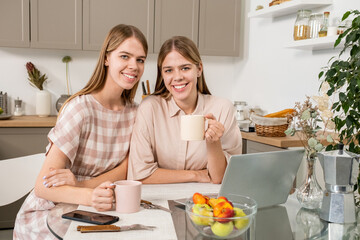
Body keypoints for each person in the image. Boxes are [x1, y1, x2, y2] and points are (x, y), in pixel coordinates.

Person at [13, 24, 148, 239]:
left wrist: (81, 184)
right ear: (106, 58)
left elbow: (128, 167)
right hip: (52, 212)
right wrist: (87, 194)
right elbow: (42, 187)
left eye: (140, 60)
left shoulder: (136, 113)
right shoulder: (80, 109)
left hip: (98, 207)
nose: (134, 66)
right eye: (125, 56)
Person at [127, 36, 242, 184]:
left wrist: (214, 143)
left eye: (185, 68)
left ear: (199, 69)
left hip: (206, 201)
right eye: (169, 70)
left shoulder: (222, 109)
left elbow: (222, 178)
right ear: (162, 75)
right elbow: (140, 174)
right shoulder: (150, 108)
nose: (178, 77)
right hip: (158, 200)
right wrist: (195, 175)